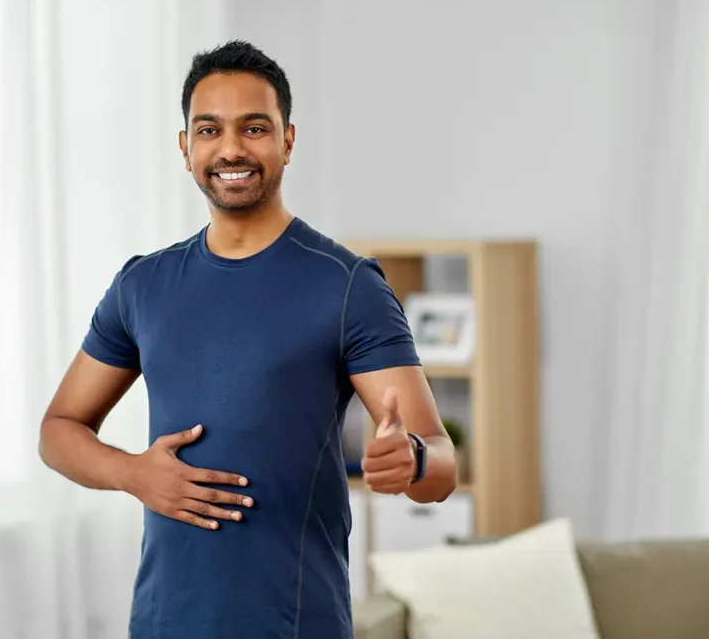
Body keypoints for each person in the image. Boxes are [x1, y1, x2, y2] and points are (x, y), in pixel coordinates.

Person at [38, 40, 458, 639]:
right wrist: (134, 473)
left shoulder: (346, 286)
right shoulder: (142, 284)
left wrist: (411, 458)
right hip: (162, 623)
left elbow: (441, 461)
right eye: (209, 129)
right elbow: (59, 430)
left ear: (288, 140)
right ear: (185, 148)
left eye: (254, 128)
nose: (231, 148)